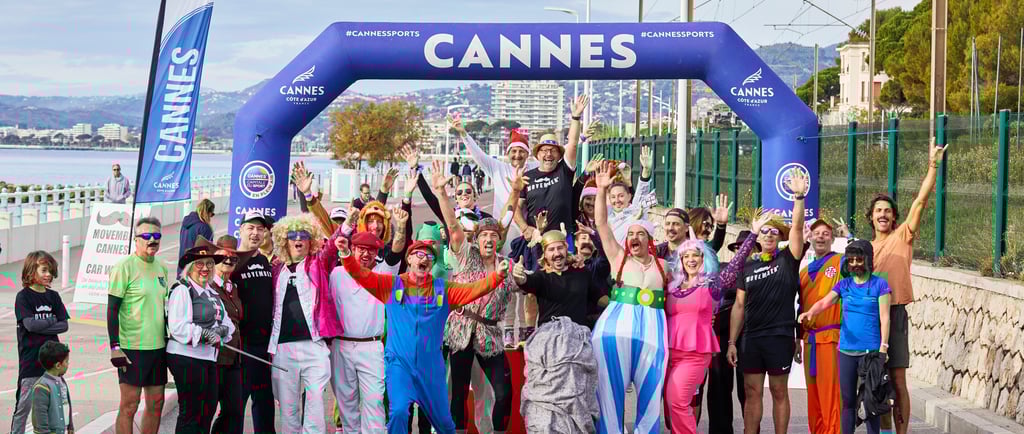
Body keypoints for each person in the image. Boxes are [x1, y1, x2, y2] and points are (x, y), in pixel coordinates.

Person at [338, 238, 510, 434]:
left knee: (445, 424)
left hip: (431, 369)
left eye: (429, 257)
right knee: (399, 413)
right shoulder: (391, 285)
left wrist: (498, 276)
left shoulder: (443, 289)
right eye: (419, 254)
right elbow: (362, 275)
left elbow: (474, 289)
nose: (425, 259)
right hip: (399, 365)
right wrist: (345, 254)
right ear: (409, 259)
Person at [429, 162, 517, 434]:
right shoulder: (466, 256)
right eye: (484, 236)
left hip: (490, 334)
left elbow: (509, 216)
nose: (489, 239)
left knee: (503, 393)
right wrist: (442, 194)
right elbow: (454, 227)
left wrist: (515, 192)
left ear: (499, 241)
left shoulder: (508, 265)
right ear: (477, 240)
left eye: (493, 236)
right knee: (457, 392)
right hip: (461, 331)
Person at [868, 142, 948, 434]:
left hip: (896, 312)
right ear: (871, 216)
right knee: (874, 381)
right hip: (869, 317)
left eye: (888, 211)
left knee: (898, 379)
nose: (884, 214)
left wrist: (933, 166)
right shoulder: (863, 249)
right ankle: (884, 430)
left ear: (894, 217)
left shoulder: (903, 235)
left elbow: (920, 201)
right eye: (878, 210)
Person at [663, 214, 767, 434]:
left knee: (679, 402)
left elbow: (737, 263)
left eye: (696, 255)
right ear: (680, 260)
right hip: (671, 353)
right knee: (673, 405)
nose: (691, 260)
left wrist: (754, 234)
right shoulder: (672, 286)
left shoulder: (712, 285)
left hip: (695, 354)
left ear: (704, 259)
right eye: (687, 256)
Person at [726, 170, 809, 434]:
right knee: (751, 392)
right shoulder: (747, 266)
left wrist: (798, 197)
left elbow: (797, 228)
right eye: (764, 232)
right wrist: (731, 342)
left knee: (778, 390)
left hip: (779, 335)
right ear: (757, 238)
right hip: (751, 338)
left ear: (779, 237)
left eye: (774, 232)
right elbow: (739, 306)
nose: (770, 235)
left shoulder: (788, 258)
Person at [590, 160, 670, 433]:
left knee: (651, 395)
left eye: (640, 233)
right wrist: (601, 191)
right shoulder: (618, 258)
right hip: (615, 331)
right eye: (631, 233)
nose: (634, 236)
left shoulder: (665, 266)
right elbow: (601, 223)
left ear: (650, 239)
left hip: (653, 335)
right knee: (610, 395)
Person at [799, 240, 891, 434]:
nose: (856, 264)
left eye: (859, 259)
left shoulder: (880, 284)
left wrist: (883, 346)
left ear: (868, 260)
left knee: (871, 402)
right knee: (848, 402)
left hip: (871, 352)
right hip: (846, 351)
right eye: (852, 260)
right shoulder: (844, 284)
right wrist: (810, 313)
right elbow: (824, 302)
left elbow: (885, 317)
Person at [267, 213, 344, 434]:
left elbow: (331, 248)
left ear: (311, 240)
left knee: (316, 403)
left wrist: (346, 226)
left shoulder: (317, 263)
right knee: (288, 407)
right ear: (284, 240)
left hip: (314, 345)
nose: (298, 239)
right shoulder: (275, 270)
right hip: (282, 348)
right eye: (293, 235)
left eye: (304, 235)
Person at [108, 217, 170, 434]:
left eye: (156, 236)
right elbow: (112, 310)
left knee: (156, 404)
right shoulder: (123, 267)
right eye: (146, 236)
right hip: (132, 347)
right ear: (136, 240)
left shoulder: (162, 267)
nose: (152, 239)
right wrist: (115, 346)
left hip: (158, 348)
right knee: (130, 405)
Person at [166, 245, 237, 433]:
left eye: (209, 264)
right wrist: (206, 335)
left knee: (208, 410)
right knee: (191, 413)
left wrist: (220, 331)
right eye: (199, 264)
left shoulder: (211, 292)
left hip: (208, 358)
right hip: (186, 358)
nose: (205, 268)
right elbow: (178, 327)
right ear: (190, 267)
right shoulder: (182, 289)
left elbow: (228, 324)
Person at [449, 116, 537, 256]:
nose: (517, 155)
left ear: (528, 153)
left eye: (521, 151)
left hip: (530, 230)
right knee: (504, 269)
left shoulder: (536, 168)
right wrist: (463, 134)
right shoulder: (498, 168)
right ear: (507, 153)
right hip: (503, 231)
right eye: (513, 151)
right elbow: (478, 155)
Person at [514, 95, 588, 256]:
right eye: (544, 150)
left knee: (564, 276)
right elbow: (516, 208)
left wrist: (576, 117)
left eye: (553, 150)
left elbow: (573, 144)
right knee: (536, 278)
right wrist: (525, 228)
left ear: (559, 154)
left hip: (563, 237)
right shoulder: (528, 176)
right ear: (537, 155)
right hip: (537, 238)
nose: (548, 154)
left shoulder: (564, 170)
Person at [797, 219, 847, 434]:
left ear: (832, 239)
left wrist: (850, 238)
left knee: (832, 392)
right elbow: (801, 307)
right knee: (814, 393)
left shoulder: (840, 262)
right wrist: (798, 339)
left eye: (825, 233)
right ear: (810, 237)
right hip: (810, 340)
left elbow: (861, 261)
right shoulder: (803, 272)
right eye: (816, 233)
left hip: (832, 338)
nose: (820, 236)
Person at [230, 210, 277, 433]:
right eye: (250, 228)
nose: (256, 233)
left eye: (260, 229)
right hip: (242, 347)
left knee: (265, 402)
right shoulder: (231, 261)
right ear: (240, 229)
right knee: (236, 405)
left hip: (266, 345)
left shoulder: (266, 262)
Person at [12, 251, 69, 434]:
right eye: (44, 270)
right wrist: (52, 320)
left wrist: (41, 326)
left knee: (58, 404)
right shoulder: (23, 297)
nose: (48, 275)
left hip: (52, 362)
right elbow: (29, 325)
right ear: (31, 271)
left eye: (50, 271)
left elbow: (64, 325)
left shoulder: (53, 297)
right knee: (23, 407)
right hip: (30, 361)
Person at [206, 235, 254, 434]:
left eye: (233, 259)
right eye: (223, 257)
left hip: (233, 359)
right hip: (211, 358)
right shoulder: (206, 285)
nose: (228, 262)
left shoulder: (233, 288)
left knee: (234, 411)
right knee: (204, 412)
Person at [30, 341, 74, 434]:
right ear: (58, 365)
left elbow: (67, 406)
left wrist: (71, 426)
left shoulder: (61, 381)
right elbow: (40, 416)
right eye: (66, 361)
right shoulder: (42, 387)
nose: (68, 364)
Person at [178, 199, 216, 271]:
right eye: (212, 214)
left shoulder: (186, 222)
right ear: (209, 213)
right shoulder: (204, 227)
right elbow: (206, 251)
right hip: (196, 268)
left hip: (183, 264)